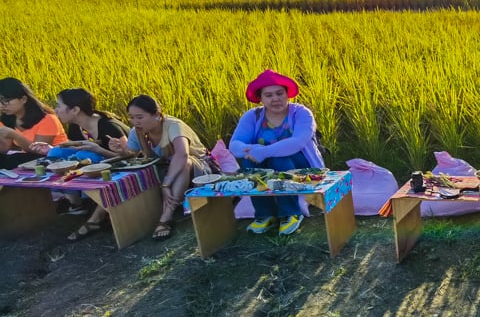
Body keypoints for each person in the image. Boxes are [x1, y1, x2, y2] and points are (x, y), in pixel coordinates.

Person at [228, 70, 324, 237]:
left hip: (299, 165)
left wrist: (264, 152)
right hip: (266, 165)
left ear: (287, 94)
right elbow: (235, 145)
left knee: (280, 160)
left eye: (280, 93)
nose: (275, 99)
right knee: (249, 163)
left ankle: (291, 213)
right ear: (261, 99)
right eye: (269, 95)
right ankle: (265, 214)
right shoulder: (252, 116)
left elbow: (297, 142)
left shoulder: (301, 113)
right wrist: (253, 152)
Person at [108, 95, 215, 240]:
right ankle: (143, 213)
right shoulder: (136, 131)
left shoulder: (173, 125)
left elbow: (182, 154)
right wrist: (120, 150)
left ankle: (166, 217)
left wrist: (166, 184)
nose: (135, 122)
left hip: (199, 169)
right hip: (165, 168)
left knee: (185, 162)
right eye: (131, 117)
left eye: (139, 117)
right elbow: (132, 154)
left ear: (157, 115)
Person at [48, 88, 131, 230]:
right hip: (98, 165)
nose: (56, 110)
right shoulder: (75, 127)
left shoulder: (109, 126)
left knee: (84, 156)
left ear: (75, 110)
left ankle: (90, 200)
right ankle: (75, 202)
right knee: (57, 152)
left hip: (122, 165)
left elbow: (130, 155)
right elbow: (70, 150)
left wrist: (99, 150)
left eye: (59, 106)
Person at [0, 77, 67, 168]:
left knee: (15, 159)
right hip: (27, 160)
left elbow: (38, 151)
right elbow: (4, 149)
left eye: (6, 101)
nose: (1, 106)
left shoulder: (47, 119)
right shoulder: (6, 119)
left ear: (23, 99)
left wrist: (15, 135)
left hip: (55, 159)